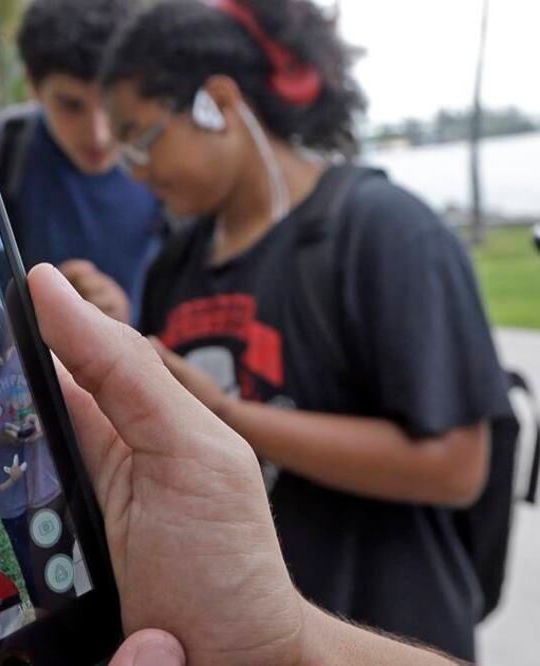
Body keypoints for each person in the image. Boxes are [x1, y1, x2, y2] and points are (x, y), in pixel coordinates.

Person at [0, 264, 460, 666]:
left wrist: (289, 649)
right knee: (37, 586)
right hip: (22, 498)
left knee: (51, 583)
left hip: (43, 496)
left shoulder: (6, 373)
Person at [98, 0, 511, 659]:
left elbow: (456, 465)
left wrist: (228, 415)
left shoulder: (381, 232)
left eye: (141, 137)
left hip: (389, 635)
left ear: (218, 104)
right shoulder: (176, 262)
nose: (137, 171)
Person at [0, 0, 162, 325]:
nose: (99, 135)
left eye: (110, 105)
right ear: (33, 86)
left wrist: (124, 324)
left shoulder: (171, 164)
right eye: (71, 105)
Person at [0, 299, 71, 612]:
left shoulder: (29, 355)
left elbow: (67, 404)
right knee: (43, 593)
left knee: (68, 579)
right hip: (15, 508)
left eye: (3, 351)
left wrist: (42, 423)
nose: (1, 360)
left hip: (55, 488)